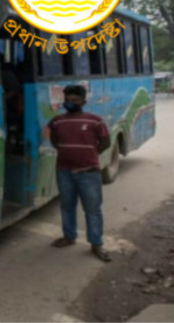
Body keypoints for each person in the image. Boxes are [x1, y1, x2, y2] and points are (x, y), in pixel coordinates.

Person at [47, 84, 112, 262]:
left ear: (83, 101)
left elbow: (105, 142)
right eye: (67, 99)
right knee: (67, 206)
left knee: (92, 209)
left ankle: (96, 244)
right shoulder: (57, 121)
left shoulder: (95, 120)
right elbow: (55, 141)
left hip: (89, 172)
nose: (70, 103)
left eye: (75, 100)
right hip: (64, 171)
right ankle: (69, 237)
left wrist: (89, 155)